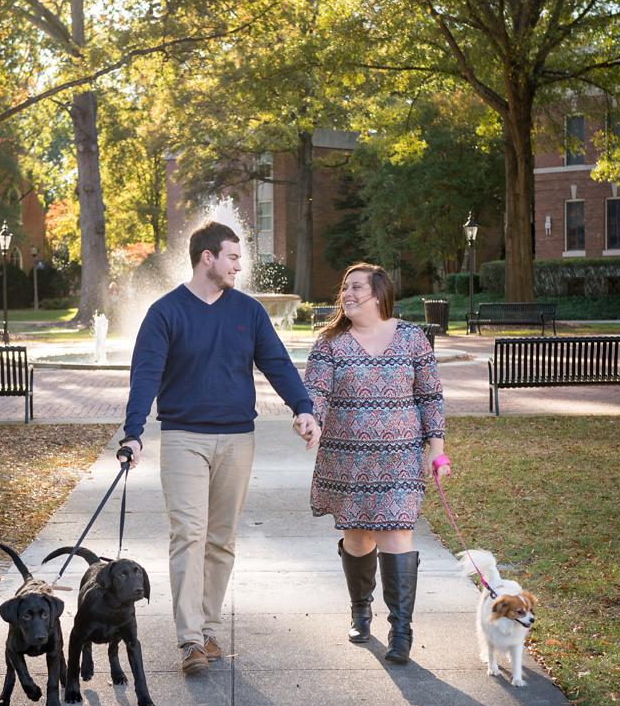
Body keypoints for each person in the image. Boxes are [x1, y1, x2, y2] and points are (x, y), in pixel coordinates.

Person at [121, 222, 320, 677]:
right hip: (182, 438)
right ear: (206, 257)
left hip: (237, 438)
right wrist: (133, 433)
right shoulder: (165, 312)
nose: (238, 265)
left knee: (221, 539)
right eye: (232, 256)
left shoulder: (248, 312)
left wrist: (303, 407)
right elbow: (145, 376)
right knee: (188, 535)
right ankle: (190, 639)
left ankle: (209, 628)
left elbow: (276, 363)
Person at [304, 263, 449, 664]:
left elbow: (430, 396)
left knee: (398, 534)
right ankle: (360, 609)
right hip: (345, 460)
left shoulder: (412, 338)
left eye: (356, 288)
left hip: (401, 459)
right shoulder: (330, 342)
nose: (346, 294)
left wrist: (436, 448)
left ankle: (401, 630)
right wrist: (310, 419)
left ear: (378, 294)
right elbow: (315, 390)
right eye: (344, 288)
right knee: (358, 538)